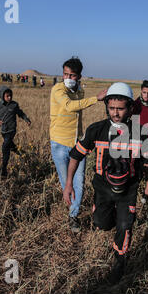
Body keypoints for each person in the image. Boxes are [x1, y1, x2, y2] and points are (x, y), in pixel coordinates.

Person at [63, 82, 143, 284]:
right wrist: (69, 183)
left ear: (130, 108)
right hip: (102, 188)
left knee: (125, 225)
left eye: (121, 108)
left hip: (128, 189)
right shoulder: (96, 130)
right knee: (101, 222)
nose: (116, 113)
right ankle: (114, 217)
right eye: (112, 108)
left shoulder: (139, 132)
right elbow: (75, 156)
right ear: (106, 107)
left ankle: (119, 262)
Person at [50, 57, 107, 233]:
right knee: (66, 182)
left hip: (77, 143)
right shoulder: (58, 89)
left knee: (79, 182)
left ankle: (73, 216)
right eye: (65, 74)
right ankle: (72, 211)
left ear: (79, 76)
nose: (68, 77)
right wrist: (95, 99)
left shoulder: (79, 90)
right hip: (59, 143)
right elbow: (69, 106)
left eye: (72, 75)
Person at [0, 86, 31, 177]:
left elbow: (20, 113)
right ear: (2, 96)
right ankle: (21, 153)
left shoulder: (14, 105)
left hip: (12, 129)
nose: (9, 98)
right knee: (10, 145)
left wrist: (26, 119)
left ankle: (4, 169)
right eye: (7, 96)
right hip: (3, 130)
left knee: (5, 146)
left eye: (10, 96)